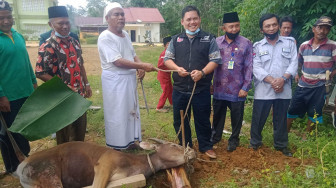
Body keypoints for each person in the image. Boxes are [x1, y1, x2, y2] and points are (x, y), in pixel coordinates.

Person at [164, 6, 222, 159]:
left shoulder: (209, 38)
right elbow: (167, 59)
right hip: (180, 89)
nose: (192, 22)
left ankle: (206, 146)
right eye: (188, 19)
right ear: (182, 22)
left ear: (199, 19)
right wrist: (177, 69)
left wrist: (202, 73)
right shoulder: (176, 40)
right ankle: (186, 146)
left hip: (201, 89)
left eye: (195, 18)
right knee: (181, 120)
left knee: (202, 119)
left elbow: (215, 60)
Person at [97, 3, 155, 150]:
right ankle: (117, 146)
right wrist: (142, 66)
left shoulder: (126, 34)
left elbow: (132, 54)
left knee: (131, 111)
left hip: (128, 81)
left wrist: (140, 64)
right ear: (107, 18)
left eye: (122, 14)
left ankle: (130, 142)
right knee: (117, 114)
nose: (121, 17)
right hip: (115, 83)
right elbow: (117, 61)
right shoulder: (105, 37)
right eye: (116, 14)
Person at [35, 6, 92, 145]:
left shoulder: (74, 41)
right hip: (61, 97)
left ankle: (78, 158)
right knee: (64, 133)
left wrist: (87, 83)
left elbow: (80, 63)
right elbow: (40, 72)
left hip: (78, 94)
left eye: (67, 23)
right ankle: (64, 162)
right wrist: (63, 86)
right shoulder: (48, 46)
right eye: (61, 23)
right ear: (51, 25)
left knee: (79, 129)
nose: (65, 26)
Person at [250, 13, 297, 157]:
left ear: (278, 26)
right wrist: (273, 81)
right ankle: (255, 143)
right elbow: (256, 67)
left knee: (281, 118)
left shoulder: (289, 43)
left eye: (274, 25)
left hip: (284, 89)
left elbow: (294, 63)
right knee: (258, 118)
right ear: (262, 30)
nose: (271, 28)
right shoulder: (257, 46)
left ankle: (281, 145)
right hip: (264, 90)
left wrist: (283, 79)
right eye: (267, 26)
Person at [0, 0, 36, 175]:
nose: (6, 21)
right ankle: (13, 167)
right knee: (9, 133)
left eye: (8, 17)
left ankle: (24, 159)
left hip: (25, 93)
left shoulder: (18, 35)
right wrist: (1, 96)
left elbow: (26, 62)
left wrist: (34, 82)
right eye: (1, 18)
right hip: (8, 97)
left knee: (23, 130)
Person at [211, 12, 253, 152]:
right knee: (218, 115)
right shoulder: (216, 42)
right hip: (219, 87)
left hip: (237, 88)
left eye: (236, 26)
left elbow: (249, 66)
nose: (234, 29)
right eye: (231, 27)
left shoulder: (246, 43)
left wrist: (246, 87)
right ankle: (215, 136)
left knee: (237, 116)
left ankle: (234, 139)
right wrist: (209, 83)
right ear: (224, 28)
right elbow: (210, 63)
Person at [287, 16, 336, 133]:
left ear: (329, 31)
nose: (323, 31)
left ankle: (306, 137)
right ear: (313, 29)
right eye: (320, 27)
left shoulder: (333, 45)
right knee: (292, 109)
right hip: (303, 83)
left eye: (326, 29)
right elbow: (299, 63)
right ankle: (285, 133)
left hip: (321, 85)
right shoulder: (304, 45)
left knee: (315, 112)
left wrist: (332, 74)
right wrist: (297, 74)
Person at [156, 36, 173, 113]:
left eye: (171, 44)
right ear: (164, 46)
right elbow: (159, 65)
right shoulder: (164, 53)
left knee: (170, 89)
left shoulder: (170, 53)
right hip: (163, 75)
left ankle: (172, 103)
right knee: (166, 90)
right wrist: (168, 63)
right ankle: (159, 107)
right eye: (168, 44)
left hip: (167, 74)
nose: (169, 46)